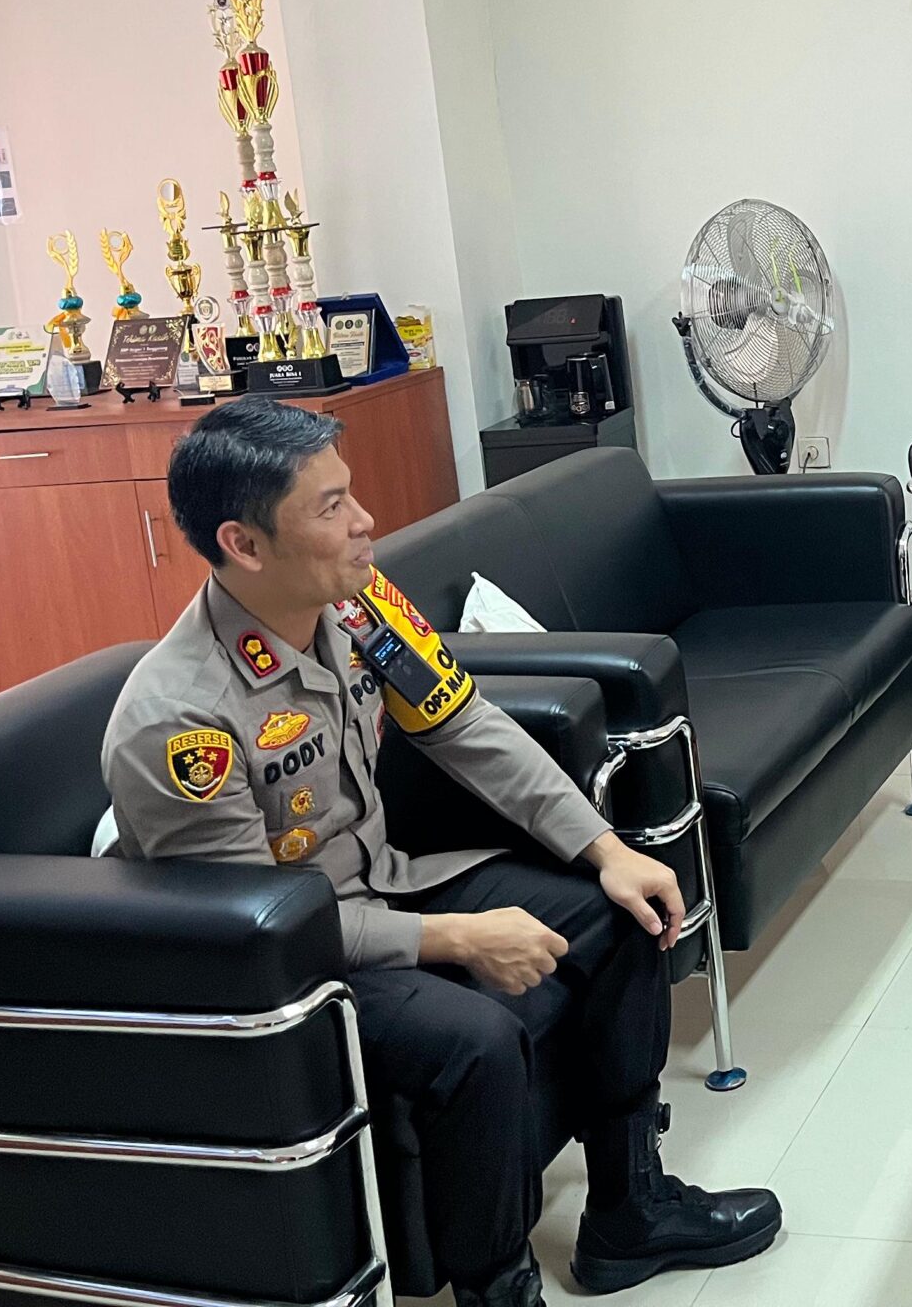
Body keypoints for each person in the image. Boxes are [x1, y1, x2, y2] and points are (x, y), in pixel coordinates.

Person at [103, 401, 781, 1307]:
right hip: (298, 968)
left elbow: (465, 726)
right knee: (476, 1042)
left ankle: (630, 1211)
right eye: (331, 507)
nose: (365, 522)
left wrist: (603, 846)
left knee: (619, 911)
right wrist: (455, 940)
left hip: (385, 885)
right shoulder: (181, 720)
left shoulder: (359, 604)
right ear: (245, 544)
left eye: (351, 495)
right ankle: (496, 1287)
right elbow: (263, 934)